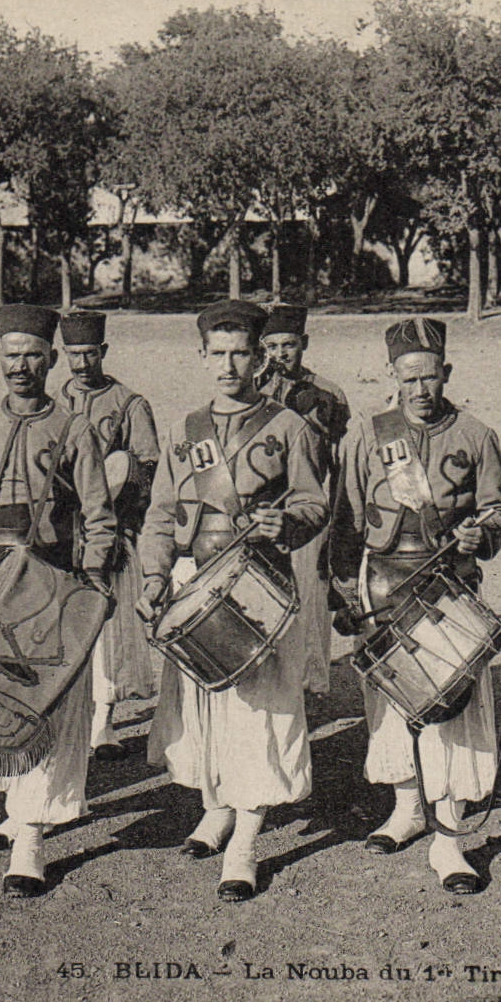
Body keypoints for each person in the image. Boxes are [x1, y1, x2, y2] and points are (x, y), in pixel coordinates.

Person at [136, 299, 328, 902]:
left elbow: (314, 504)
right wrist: (153, 576)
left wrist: (286, 522)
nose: (228, 365)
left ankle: (246, 837)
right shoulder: (187, 429)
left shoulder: (289, 426)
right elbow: (161, 513)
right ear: (202, 356)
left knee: (256, 710)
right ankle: (215, 807)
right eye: (217, 353)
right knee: (204, 706)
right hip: (198, 578)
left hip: (259, 580)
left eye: (240, 352)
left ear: (259, 356)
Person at [0, 303, 118, 898]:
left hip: (48, 584)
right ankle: (15, 809)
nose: (21, 366)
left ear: (52, 360)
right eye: (11, 355)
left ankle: (31, 837)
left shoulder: (73, 428)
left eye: (33, 355)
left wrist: (89, 582)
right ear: (0, 359)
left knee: (43, 702)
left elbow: (99, 515)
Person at [329, 317, 501, 895]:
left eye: (430, 377)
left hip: (449, 589)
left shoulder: (476, 434)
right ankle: (406, 808)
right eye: (409, 379)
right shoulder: (367, 433)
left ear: (446, 374)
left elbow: (499, 511)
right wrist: (343, 592)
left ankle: (450, 838)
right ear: (393, 377)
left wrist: (479, 535)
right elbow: (346, 520)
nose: (420, 390)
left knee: (451, 708)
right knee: (389, 707)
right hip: (383, 584)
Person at [58, 311, 162, 761]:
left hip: (111, 527)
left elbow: (147, 467)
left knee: (107, 630)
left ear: (103, 352)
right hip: (63, 531)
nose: (81, 364)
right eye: (72, 355)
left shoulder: (128, 404)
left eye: (89, 354)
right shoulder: (54, 398)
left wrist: (120, 513)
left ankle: (103, 722)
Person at [256, 303, 349, 697]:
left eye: (289, 345)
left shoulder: (329, 393)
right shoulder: (253, 390)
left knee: (308, 604)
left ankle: (306, 689)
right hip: (262, 515)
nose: (281, 354)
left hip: (308, 514)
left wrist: (337, 527)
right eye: (273, 346)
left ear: (304, 344)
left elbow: (342, 464)